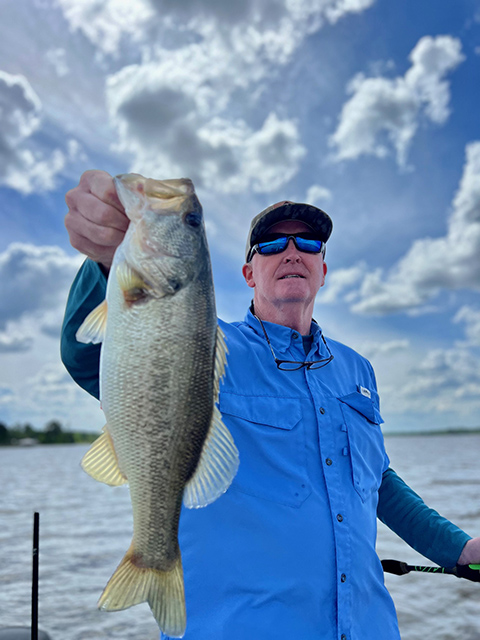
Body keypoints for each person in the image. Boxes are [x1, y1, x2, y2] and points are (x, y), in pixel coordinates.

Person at [62, 170, 480, 640]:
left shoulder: (358, 370)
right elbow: (88, 358)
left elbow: (374, 481)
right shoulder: (203, 343)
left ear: (323, 268)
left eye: (308, 244)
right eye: (271, 246)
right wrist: (104, 263)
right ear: (248, 273)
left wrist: (459, 549)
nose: (291, 252)